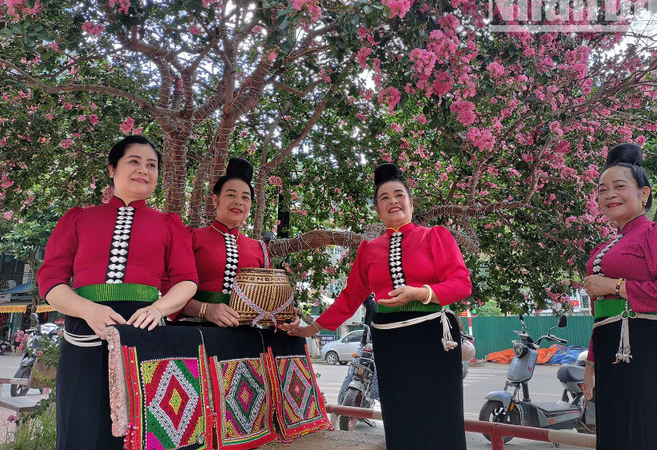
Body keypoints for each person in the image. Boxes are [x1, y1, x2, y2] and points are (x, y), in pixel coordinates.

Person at [289, 163, 472, 450]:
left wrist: (419, 292)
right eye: (384, 198)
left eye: (398, 194)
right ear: (377, 210)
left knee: (439, 413)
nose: (392, 201)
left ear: (411, 203)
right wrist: (310, 328)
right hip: (389, 339)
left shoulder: (435, 236)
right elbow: (349, 298)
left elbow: (462, 284)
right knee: (400, 414)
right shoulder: (368, 249)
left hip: (432, 338)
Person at [37, 135, 198, 450]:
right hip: (84, 335)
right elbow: (51, 280)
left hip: (146, 335)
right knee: (81, 427)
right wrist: (88, 310)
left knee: (147, 431)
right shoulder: (80, 218)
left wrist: (158, 309)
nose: (144, 170)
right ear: (112, 169)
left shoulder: (168, 224)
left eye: (151, 165)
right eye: (134, 162)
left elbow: (187, 280)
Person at [582, 143, 657, 450]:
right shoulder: (604, 247)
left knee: (654, 432)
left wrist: (612, 286)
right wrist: (591, 365)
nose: (609, 195)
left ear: (644, 194)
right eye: (602, 189)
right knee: (619, 433)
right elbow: (601, 314)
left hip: (653, 346)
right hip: (612, 348)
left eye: (620, 186)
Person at [172, 157, 298, 329]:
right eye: (231, 195)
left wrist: (283, 319)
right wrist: (205, 309)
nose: (238, 201)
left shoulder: (259, 248)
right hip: (196, 331)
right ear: (215, 200)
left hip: (244, 337)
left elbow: (268, 302)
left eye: (245, 198)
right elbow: (169, 289)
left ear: (250, 205)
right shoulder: (191, 238)